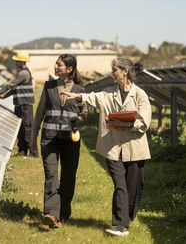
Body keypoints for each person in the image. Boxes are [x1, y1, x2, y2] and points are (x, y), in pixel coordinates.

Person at [61, 57, 151, 237]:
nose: (112, 73)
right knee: (120, 186)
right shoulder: (110, 95)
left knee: (134, 187)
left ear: (125, 71)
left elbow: (144, 121)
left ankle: (128, 217)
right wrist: (78, 96)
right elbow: (94, 97)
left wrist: (127, 123)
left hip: (134, 148)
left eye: (115, 70)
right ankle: (121, 225)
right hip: (113, 148)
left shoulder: (140, 94)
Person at [31, 54, 87, 228]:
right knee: (51, 175)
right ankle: (51, 214)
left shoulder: (80, 90)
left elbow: (84, 112)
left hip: (70, 139)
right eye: (56, 64)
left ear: (69, 69)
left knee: (68, 177)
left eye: (59, 65)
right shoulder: (48, 87)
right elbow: (39, 112)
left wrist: (79, 120)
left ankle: (63, 214)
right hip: (49, 139)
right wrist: (33, 136)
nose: (55, 67)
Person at [0, 51, 38, 157]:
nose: (15, 62)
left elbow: (11, 85)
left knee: (27, 129)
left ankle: (34, 153)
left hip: (25, 105)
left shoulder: (23, 73)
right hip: (19, 104)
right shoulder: (21, 72)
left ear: (22, 61)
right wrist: (3, 96)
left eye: (17, 60)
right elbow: (15, 89)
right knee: (20, 129)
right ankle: (22, 151)